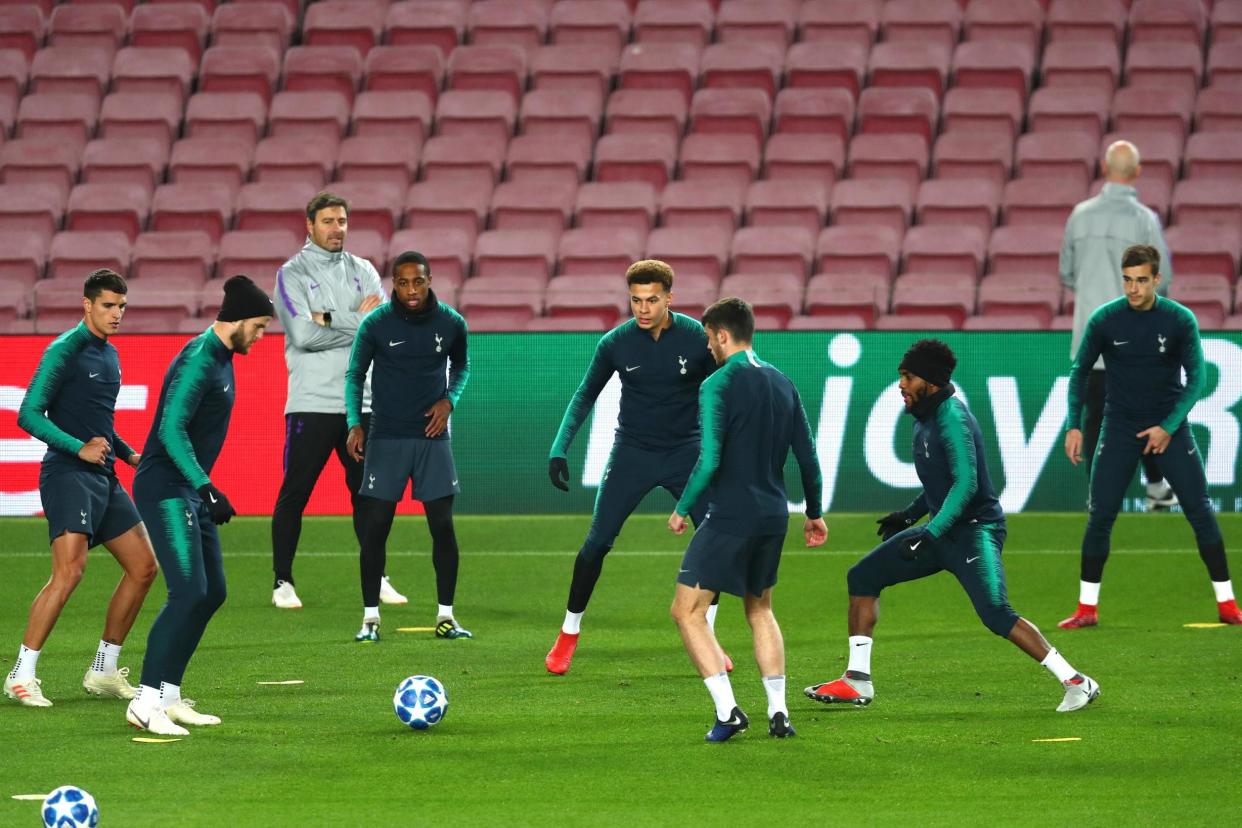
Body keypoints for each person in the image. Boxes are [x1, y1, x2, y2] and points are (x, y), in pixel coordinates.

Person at [805, 339, 1100, 714]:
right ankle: (856, 680)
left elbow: (966, 485)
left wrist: (927, 533)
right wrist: (909, 516)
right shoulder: (926, 418)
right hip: (942, 530)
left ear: (928, 381)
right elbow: (939, 486)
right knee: (862, 577)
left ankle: (1077, 682)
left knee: (996, 614)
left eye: (907, 376)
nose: (900, 384)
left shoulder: (953, 419)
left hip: (976, 531)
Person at [544, 259, 721, 676]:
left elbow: (725, 392)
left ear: (669, 299)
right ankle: (569, 632)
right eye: (636, 300)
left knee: (715, 539)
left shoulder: (698, 338)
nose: (643, 308)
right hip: (632, 453)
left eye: (651, 300)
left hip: (687, 452)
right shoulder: (615, 343)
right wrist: (558, 448)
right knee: (597, 542)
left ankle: (708, 638)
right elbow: (584, 396)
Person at [668, 298, 827, 742]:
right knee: (760, 609)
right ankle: (779, 712)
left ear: (721, 335)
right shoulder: (782, 382)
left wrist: (683, 508)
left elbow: (710, 459)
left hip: (731, 516)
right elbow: (808, 458)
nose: (708, 347)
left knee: (686, 611)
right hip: (774, 514)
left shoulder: (717, 384)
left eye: (708, 338)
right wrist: (813, 512)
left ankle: (728, 711)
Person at [1060, 245, 1241, 628]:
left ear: (1157, 279)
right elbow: (1079, 373)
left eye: (1141, 280)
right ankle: (1086, 609)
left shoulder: (1179, 320)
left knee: (1200, 510)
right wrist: (1073, 424)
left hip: (1169, 427)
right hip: (1120, 426)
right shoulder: (1105, 320)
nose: (1133, 288)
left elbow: (1197, 380)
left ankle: (1227, 604)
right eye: (1127, 280)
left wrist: (1169, 426)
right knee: (1101, 515)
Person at [125, 276, 273, 736]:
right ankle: (145, 702)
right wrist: (206, 486)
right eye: (261, 326)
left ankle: (169, 697)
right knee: (187, 591)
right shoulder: (198, 359)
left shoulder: (223, 357)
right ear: (240, 320)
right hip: (166, 487)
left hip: (188, 489)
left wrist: (202, 488)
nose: (262, 335)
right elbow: (171, 430)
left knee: (213, 592)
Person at [6, 269, 158, 708]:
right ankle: (21, 674)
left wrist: (127, 453)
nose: (116, 314)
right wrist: (79, 449)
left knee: (144, 567)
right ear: (87, 304)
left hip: (103, 475)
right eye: (109, 306)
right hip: (68, 474)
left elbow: (101, 424)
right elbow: (29, 414)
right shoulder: (63, 350)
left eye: (122, 307)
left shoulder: (110, 355)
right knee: (69, 573)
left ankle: (104, 670)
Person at [269, 191, 406, 609]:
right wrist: (355, 319)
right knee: (296, 491)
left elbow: (383, 325)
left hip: (361, 402)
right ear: (309, 225)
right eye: (328, 221)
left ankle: (378, 576)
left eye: (342, 221)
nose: (336, 229)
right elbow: (304, 335)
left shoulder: (362, 268)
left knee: (368, 494)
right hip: (310, 401)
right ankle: (283, 582)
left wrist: (326, 316)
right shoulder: (290, 273)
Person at [344, 252, 472, 643]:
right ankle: (369, 619)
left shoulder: (451, 323)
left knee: (443, 527)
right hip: (386, 435)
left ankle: (446, 616)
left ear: (429, 279)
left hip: (432, 438)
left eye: (417, 281)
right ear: (393, 284)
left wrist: (449, 400)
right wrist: (354, 423)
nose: (411, 290)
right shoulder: (376, 324)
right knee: (376, 528)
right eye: (402, 283)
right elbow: (354, 374)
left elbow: (462, 368)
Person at [1061, 139, 1176, 512]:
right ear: (1137, 173)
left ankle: (1099, 495)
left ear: (1104, 168)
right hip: (1135, 340)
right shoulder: (1143, 219)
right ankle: (1156, 489)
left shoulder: (1079, 215)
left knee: (1097, 418)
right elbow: (1165, 277)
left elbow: (1067, 273)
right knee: (1145, 415)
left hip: (1092, 340)